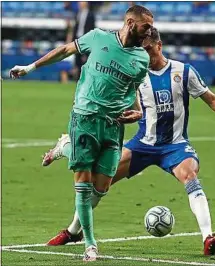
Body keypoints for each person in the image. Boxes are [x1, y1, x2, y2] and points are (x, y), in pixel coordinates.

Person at [42, 28, 215, 256]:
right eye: (141, 50)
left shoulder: (183, 71)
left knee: (189, 174)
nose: (145, 55)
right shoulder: (135, 72)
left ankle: (208, 237)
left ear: (159, 46)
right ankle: (73, 231)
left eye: (148, 49)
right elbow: (123, 103)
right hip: (142, 144)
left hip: (174, 146)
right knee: (100, 182)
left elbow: (212, 99)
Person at [9, 5, 154, 262]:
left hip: (113, 126)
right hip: (84, 118)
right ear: (131, 23)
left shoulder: (141, 58)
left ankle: (63, 147)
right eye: (146, 26)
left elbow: (133, 94)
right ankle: (89, 244)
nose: (149, 31)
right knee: (84, 188)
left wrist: (138, 113)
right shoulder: (98, 37)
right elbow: (65, 50)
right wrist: (30, 67)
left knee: (102, 187)